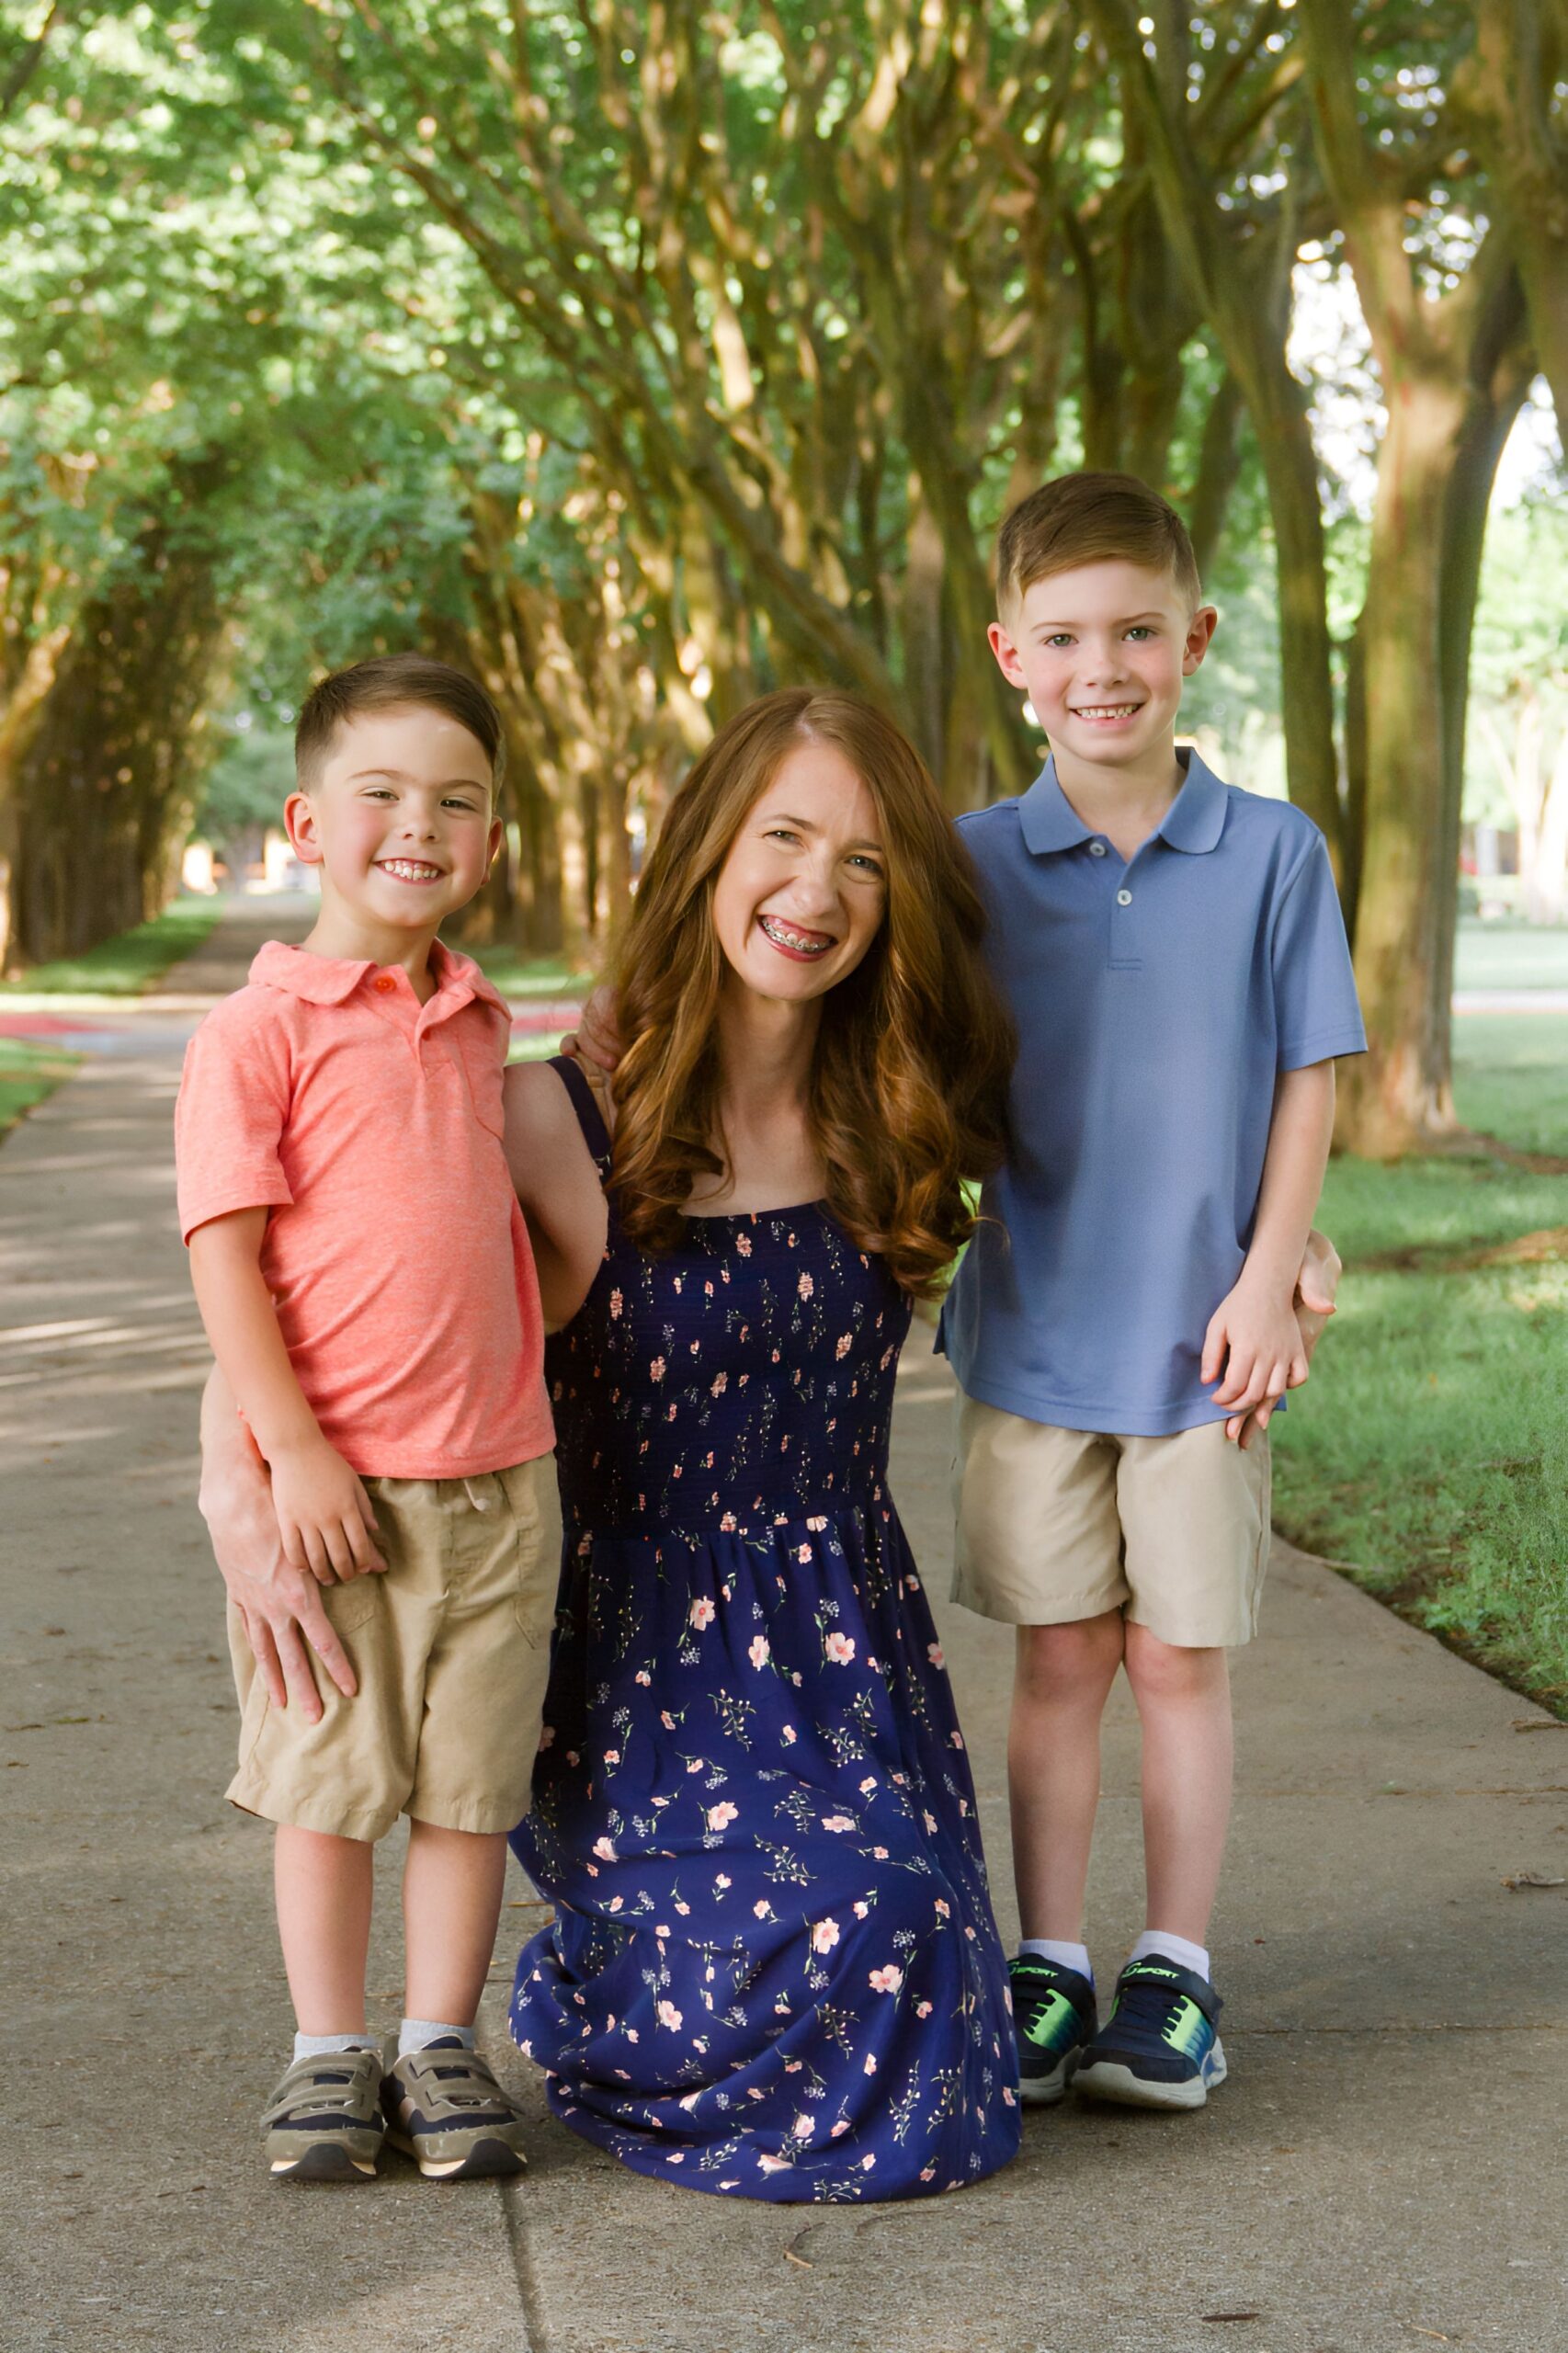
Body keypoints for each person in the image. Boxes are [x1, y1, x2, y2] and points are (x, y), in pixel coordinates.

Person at [498, 687, 1025, 2200]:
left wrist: (1287, 1249)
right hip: (633, 1673)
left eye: (863, 862)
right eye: (781, 837)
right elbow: (330, 1275)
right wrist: (240, 1463)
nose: (815, 893)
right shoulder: (548, 1120)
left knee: (915, 1956)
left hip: (849, 1651)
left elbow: (1155, 1153)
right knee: (849, 1939)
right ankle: (605, 1996)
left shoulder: (901, 1107)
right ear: (706, 849)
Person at [941, 472, 1365, 2110]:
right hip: (1034, 1339)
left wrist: (1269, 1281)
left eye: (1134, 631)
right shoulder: (970, 863)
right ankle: (1049, 1963)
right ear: (1008, 653)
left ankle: (1173, 1973)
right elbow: (919, 1086)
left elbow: (1305, 1083)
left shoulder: (1269, 851)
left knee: (1179, 1660)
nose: (1099, 666)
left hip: (1208, 1349)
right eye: (1062, 636)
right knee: (1056, 1660)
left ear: (1192, 639)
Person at [178, 654, 557, 2182]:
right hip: (342, 1492)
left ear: (489, 839)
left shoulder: (480, 1023)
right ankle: (328, 2049)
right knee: (331, 1788)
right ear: (307, 824)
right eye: (383, 794)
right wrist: (295, 1456)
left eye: (458, 801)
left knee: (469, 1790)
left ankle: (438, 2040)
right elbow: (227, 1256)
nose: (422, 824)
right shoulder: (255, 1033)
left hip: (502, 1485)